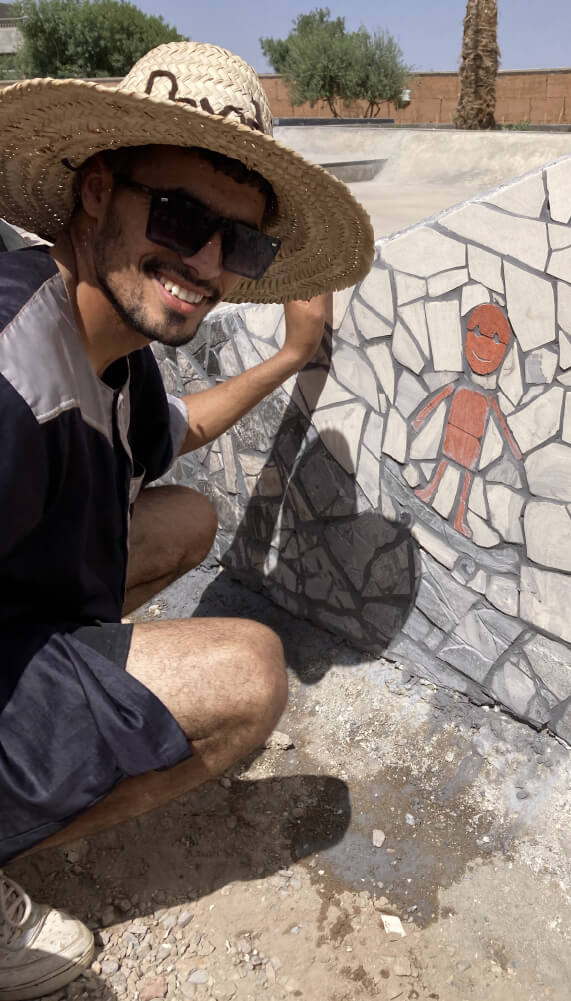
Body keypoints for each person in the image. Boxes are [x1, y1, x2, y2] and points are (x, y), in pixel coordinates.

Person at [0, 41, 373, 1000]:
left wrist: (294, 357)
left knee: (186, 519)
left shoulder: (112, 345)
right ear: (95, 191)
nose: (206, 263)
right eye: (180, 215)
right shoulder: (13, 380)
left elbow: (181, 430)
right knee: (248, 672)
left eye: (238, 244)